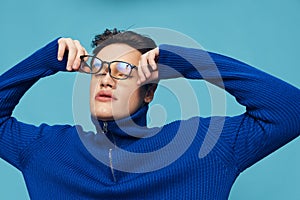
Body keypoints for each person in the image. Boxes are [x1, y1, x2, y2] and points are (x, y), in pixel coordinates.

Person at [0, 28, 299, 200]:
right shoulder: (46, 150)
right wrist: (44, 61)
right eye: (98, 70)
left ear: (148, 92)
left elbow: (289, 110)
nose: (105, 79)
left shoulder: (203, 148)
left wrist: (185, 61)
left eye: (121, 71)